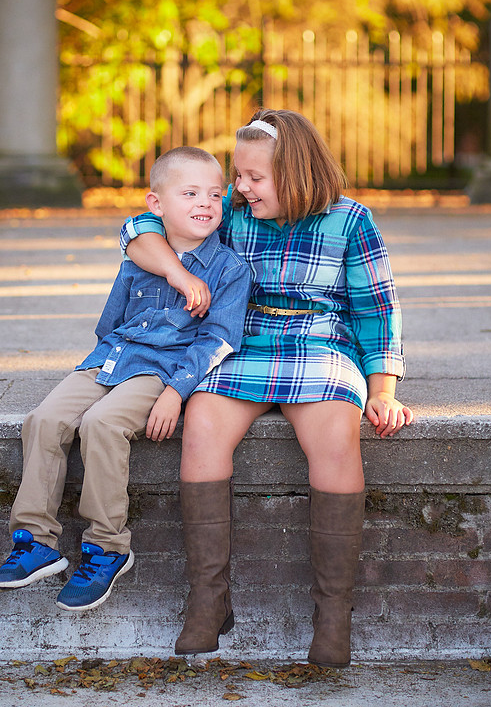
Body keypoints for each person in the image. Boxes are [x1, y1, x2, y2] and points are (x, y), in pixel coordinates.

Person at [120, 108, 413, 667]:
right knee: (202, 425)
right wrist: (179, 272)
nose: (240, 186)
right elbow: (139, 228)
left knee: (334, 439)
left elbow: (377, 310)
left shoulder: (350, 221)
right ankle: (209, 597)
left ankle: (333, 612)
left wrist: (382, 389)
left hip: (320, 345)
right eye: (238, 174)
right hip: (240, 341)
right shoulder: (231, 213)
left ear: (297, 171)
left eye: (255, 177)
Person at [0, 146, 251, 613]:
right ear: (156, 204)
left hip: (161, 370)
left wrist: (175, 393)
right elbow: (112, 323)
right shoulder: (141, 257)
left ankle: (108, 547)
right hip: (112, 357)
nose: (205, 203)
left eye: (214, 194)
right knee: (44, 419)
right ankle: (35, 542)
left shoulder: (230, 269)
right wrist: (99, 365)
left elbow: (219, 339)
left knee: (103, 425)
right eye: (189, 193)